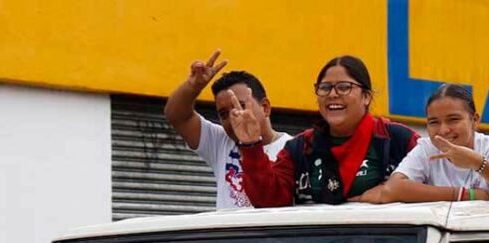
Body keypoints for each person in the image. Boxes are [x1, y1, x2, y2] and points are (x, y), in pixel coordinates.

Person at [229, 55, 419, 206]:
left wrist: (391, 193)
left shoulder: (397, 140)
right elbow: (269, 200)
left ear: (366, 97)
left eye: (345, 87)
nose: (333, 94)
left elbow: (435, 192)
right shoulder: (300, 148)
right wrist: (252, 146)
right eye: (325, 88)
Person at [355, 84, 489, 204]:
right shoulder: (426, 148)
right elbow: (394, 188)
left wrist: (477, 163)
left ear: (475, 120)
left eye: (453, 120)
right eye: (434, 122)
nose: (443, 130)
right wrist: (466, 195)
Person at [164, 49, 292, 209]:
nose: (233, 118)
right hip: (229, 235)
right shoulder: (221, 142)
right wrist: (193, 86)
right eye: (224, 114)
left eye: (241, 106)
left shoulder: (294, 149)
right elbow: (176, 115)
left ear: (265, 107)